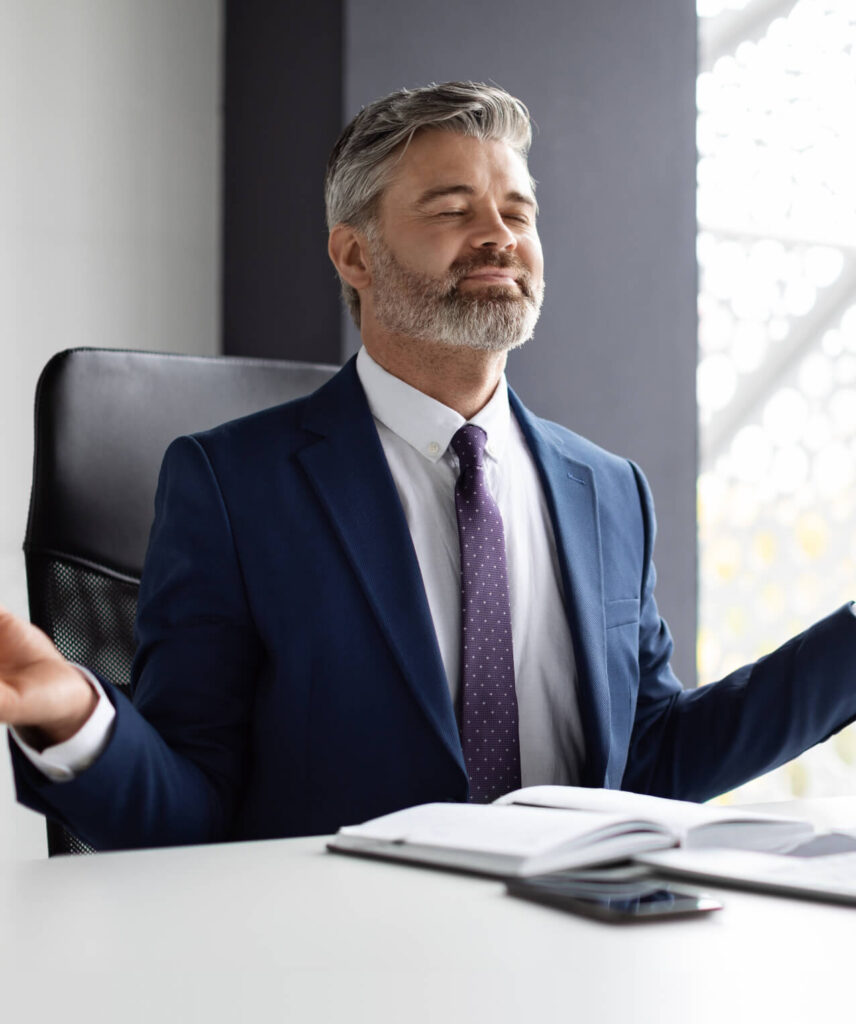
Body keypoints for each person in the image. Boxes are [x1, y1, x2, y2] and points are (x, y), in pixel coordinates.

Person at [2, 82, 855, 850]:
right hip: (344, 970)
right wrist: (80, 718)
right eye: (452, 210)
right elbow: (190, 805)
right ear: (354, 257)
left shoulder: (607, 491)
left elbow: (652, 760)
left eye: (518, 213)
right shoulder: (233, 486)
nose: (498, 237)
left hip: (581, 961)